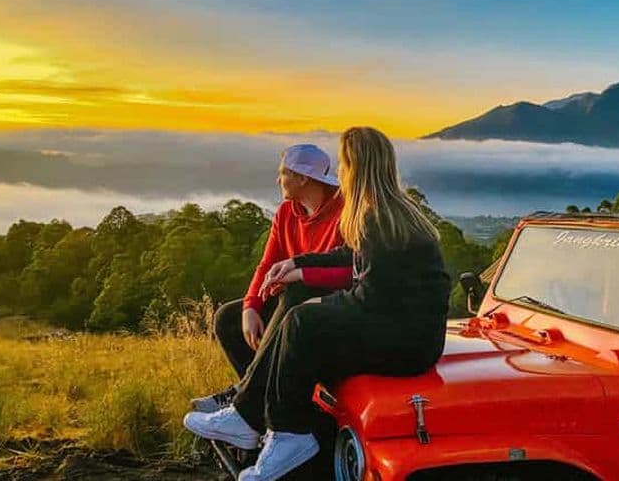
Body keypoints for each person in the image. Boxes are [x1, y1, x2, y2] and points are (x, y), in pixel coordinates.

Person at [184, 127, 451, 481]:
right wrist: (299, 264)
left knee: (301, 321)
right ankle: (253, 419)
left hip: (408, 343)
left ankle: (284, 433)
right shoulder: (387, 211)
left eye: (343, 164)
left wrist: (319, 300)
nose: (339, 172)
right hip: (405, 329)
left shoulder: (379, 220)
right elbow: (351, 255)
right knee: (298, 315)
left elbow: (368, 296)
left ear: (356, 168)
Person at [190, 144, 352, 413]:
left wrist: (302, 274)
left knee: (295, 293)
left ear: (302, 178)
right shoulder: (287, 212)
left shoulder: (345, 214)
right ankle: (261, 403)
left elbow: (353, 273)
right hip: (293, 301)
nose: (278, 180)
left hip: (327, 308)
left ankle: (244, 400)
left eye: (283, 173)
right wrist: (250, 307)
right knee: (227, 318)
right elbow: (267, 263)